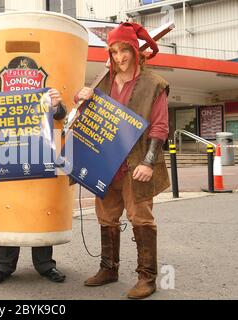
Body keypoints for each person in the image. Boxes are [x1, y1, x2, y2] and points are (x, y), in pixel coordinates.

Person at [75, 22, 170, 299]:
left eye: (124, 50)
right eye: (114, 51)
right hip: (105, 163)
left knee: (141, 217)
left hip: (136, 164)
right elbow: (87, 116)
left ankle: (147, 277)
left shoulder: (154, 84)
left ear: (135, 50)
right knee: (106, 217)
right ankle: (109, 268)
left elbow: (160, 127)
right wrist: (81, 97)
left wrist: (149, 163)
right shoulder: (102, 80)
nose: (119, 57)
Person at [0, 89, 67, 285]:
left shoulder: (48, 73)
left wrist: (56, 106)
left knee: (41, 206)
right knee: (8, 207)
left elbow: (62, 114)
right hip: (8, 150)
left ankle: (45, 264)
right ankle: (3, 265)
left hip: (39, 150)